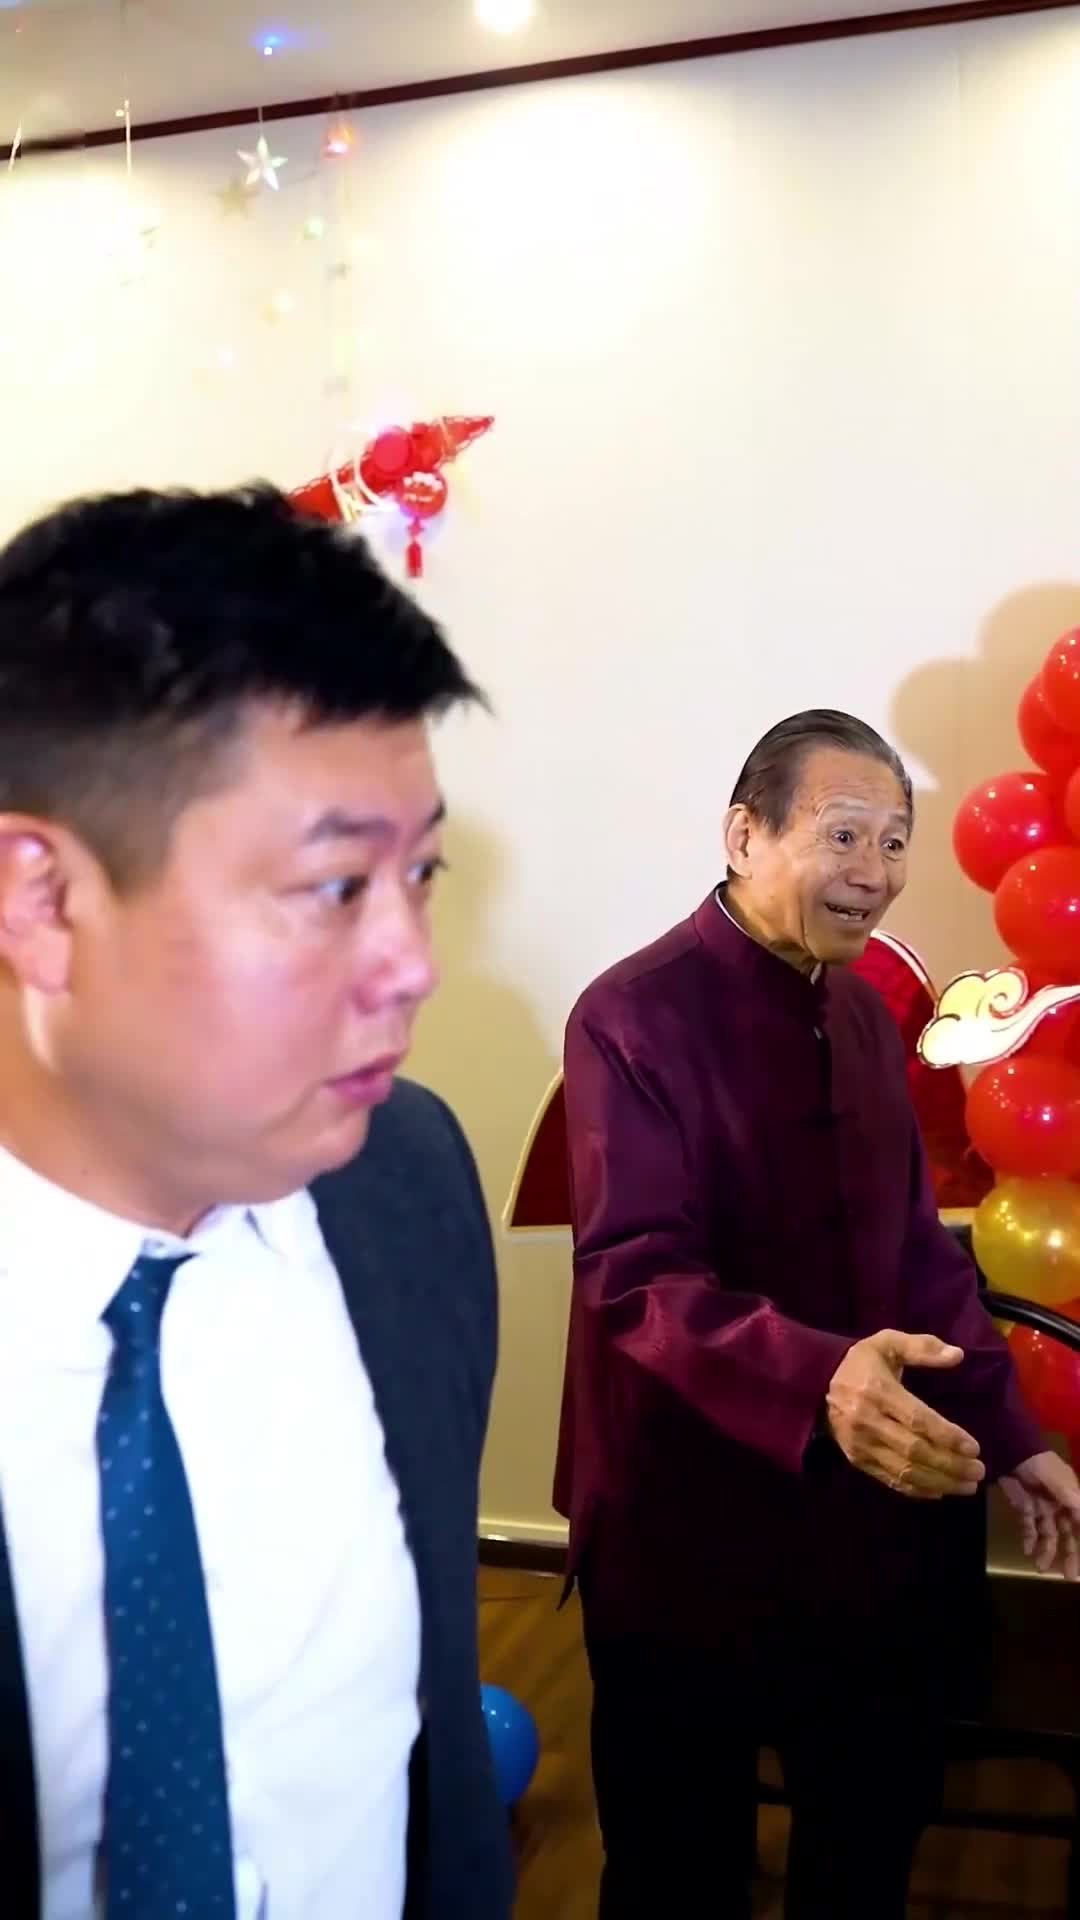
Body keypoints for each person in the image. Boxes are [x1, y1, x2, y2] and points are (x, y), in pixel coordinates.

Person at [0, 485, 512, 1920]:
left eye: (421, 872)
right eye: (335, 885)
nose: (412, 962)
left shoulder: (408, 1184)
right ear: (42, 900)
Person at [554, 709, 1080, 1920]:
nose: (875, 871)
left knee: (867, 1834)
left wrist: (1013, 1435)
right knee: (676, 1864)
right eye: (843, 834)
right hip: (679, 1519)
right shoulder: (628, 1016)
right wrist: (822, 1376)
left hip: (861, 1514)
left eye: (894, 841)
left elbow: (917, 1253)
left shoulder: (860, 1016)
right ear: (745, 835)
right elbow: (634, 1275)